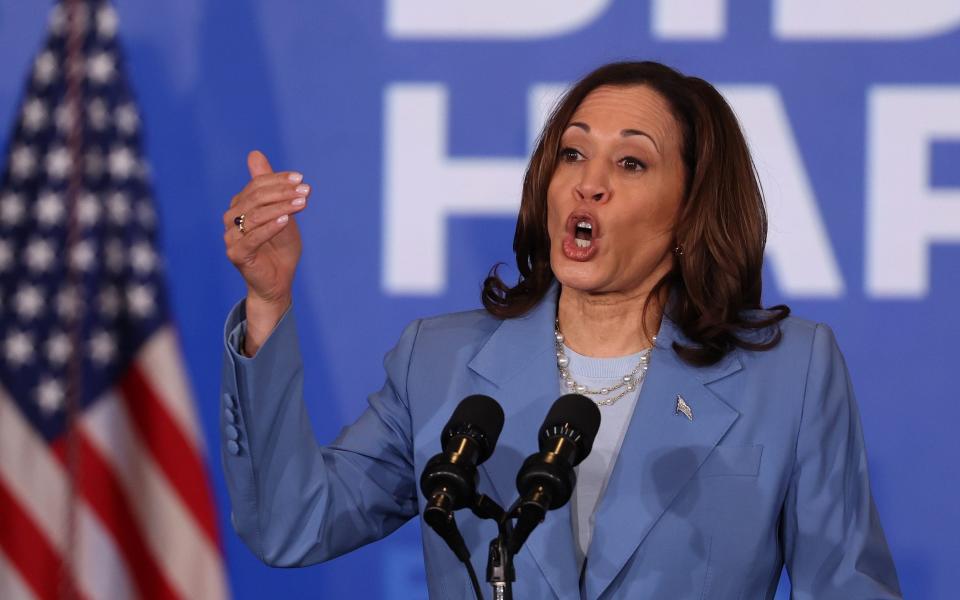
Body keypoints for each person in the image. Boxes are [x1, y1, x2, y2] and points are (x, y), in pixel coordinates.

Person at [220, 61, 902, 599]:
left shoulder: (791, 374)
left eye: (631, 163)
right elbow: (293, 525)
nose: (589, 183)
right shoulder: (440, 362)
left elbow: (847, 588)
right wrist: (267, 301)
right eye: (573, 155)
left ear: (691, 207)